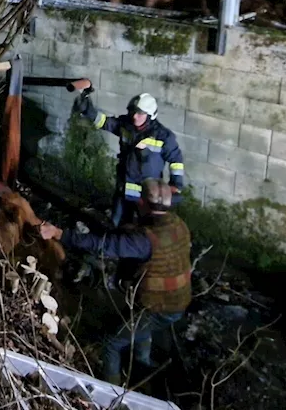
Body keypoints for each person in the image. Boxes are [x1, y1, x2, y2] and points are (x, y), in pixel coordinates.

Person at [40, 179, 191, 385]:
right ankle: (141, 364)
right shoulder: (178, 225)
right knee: (140, 328)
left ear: (143, 203)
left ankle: (113, 393)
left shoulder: (143, 240)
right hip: (180, 299)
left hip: (159, 307)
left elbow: (102, 245)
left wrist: (59, 233)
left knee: (111, 343)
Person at [74, 91, 185, 227]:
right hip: (124, 188)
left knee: (144, 229)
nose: (134, 117)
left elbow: (176, 160)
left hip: (146, 195)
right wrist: (88, 111)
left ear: (150, 115)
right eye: (132, 112)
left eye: (139, 113)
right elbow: (105, 122)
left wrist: (176, 184)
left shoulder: (163, 136)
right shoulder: (125, 124)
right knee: (116, 224)